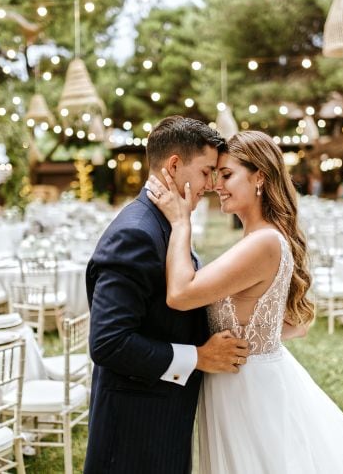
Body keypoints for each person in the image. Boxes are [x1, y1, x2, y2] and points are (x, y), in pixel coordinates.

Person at [147, 131, 343, 473]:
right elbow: (297, 324)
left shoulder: (263, 242)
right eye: (216, 174)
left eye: (228, 175)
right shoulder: (263, 237)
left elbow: (180, 294)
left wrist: (180, 222)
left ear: (260, 176)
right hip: (243, 379)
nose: (218, 184)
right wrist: (255, 337)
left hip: (249, 392)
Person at [84, 116, 250, 474]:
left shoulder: (169, 222)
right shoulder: (137, 233)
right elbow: (109, 343)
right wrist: (199, 357)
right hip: (134, 429)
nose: (210, 184)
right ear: (174, 165)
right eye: (207, 171)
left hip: (161, 415)